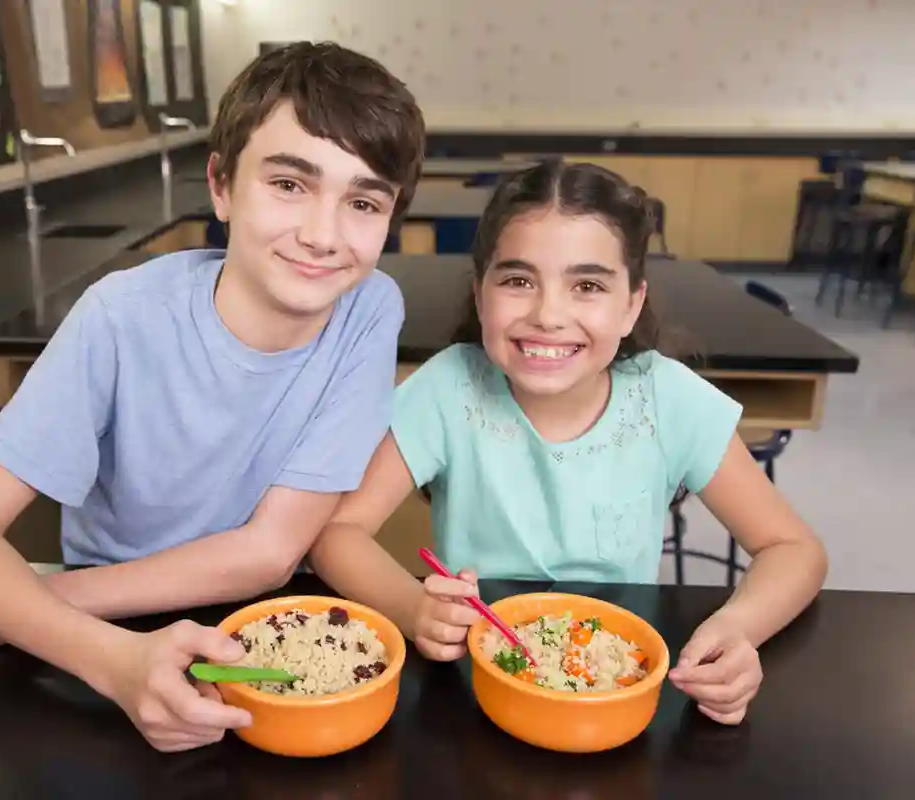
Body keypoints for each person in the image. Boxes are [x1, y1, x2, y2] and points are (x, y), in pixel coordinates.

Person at [0, 41, 426, 752]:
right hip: (103, 632)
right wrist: (112, 657)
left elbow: (270, 552)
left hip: (259, 631)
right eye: (289, 184)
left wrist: (18, 605)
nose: (323, 235)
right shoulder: (120, 316)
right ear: (222, 186)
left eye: (362, 201)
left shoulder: (370, 307)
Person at [307, 160, 828, 726]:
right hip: (477, 691)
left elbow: (793, 549)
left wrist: (737, 628)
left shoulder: (668, 399)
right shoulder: (450, 387)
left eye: (587, 286)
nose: (549, 315)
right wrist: (413, 609)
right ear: (481, 296)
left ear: (631, 304)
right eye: (518, 280)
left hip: (614, 691)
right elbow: (337, 533)